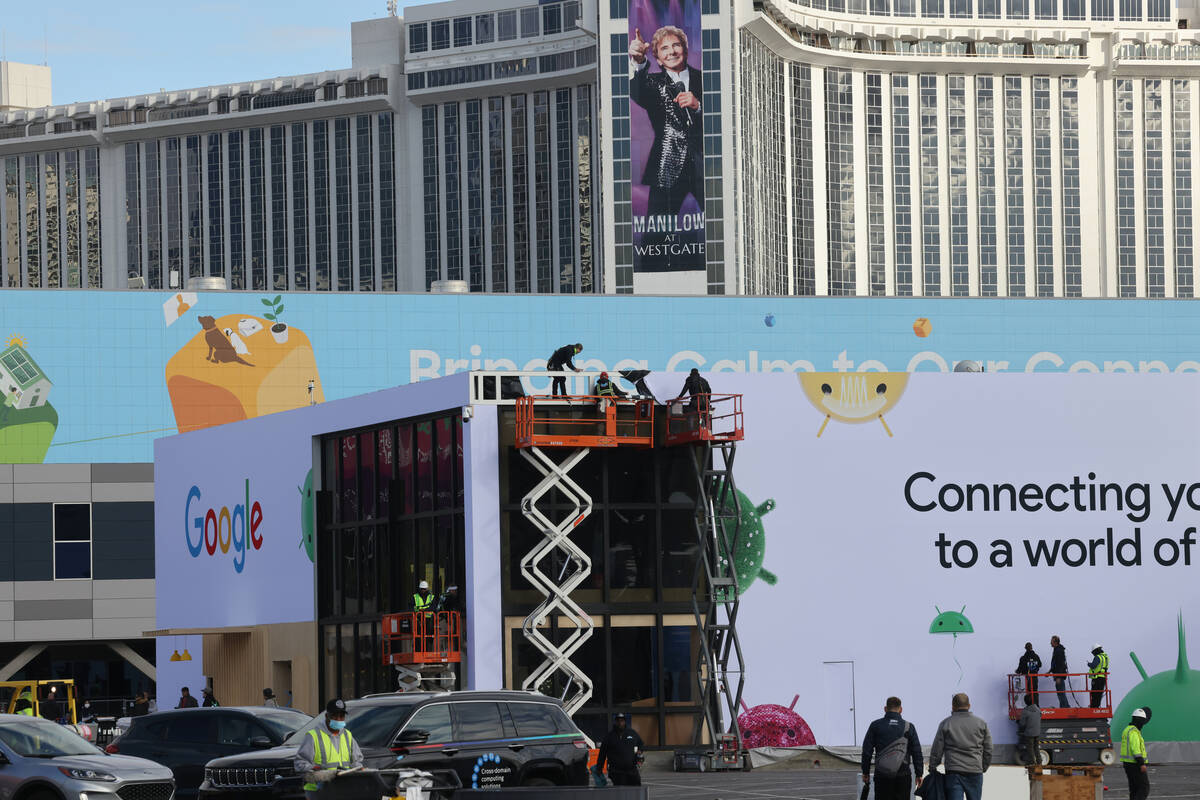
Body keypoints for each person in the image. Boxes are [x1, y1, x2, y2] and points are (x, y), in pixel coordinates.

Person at [627, 26, 703, 221]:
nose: (672, 52)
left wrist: (698, 106)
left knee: (719, 221)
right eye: (664, 48)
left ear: (685, 51)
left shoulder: (705, 79)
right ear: (658, 59)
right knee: (656, 235)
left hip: (706, 164)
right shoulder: (651, 83)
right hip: (666, 166)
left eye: (676, 45)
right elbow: (636, 92)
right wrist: (640, 62)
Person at [295, 698, 363, 799]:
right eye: (335, 716)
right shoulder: (313, 736)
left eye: (341, 716)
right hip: (318, 793)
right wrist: (313, 769)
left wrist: (359, 770)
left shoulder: (347, 736)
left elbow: (356, 762)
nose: (338, 719)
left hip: (343, 791)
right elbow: (300, 764)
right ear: (327, 716)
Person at [929, 693, 992, 800]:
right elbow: (989, 749)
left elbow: (937, 749)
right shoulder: (981, 723)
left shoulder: (946, 723)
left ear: (953, 706)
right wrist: (983, 767)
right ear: (969, 705)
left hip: (953, 771)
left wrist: (933, 767)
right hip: (975, 771)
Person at [861, 696, 923, 800]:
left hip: (882, 775)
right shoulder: (909, 727)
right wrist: (919, 773)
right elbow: (917, 752)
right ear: (901, 709)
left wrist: (865, 771)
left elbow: (867, 751)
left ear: (885, 709)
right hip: (903, 775)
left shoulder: (875, 725)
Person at [597, 713, 644, 786]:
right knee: (621, 791)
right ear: (615, 722)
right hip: (616, 771)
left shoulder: (632, 733)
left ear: (625, 722)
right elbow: (602, 754)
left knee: (637, 788)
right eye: (618, 721)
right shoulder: (609, 736)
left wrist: (640, 750)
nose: (620, 723)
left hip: (631, 770)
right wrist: (599, 769)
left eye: (622, 721)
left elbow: (641, 743)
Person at [1120, 707, 1151, 800]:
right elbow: (1135, 749)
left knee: (1134, 789)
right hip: (1135, 765)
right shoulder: (1133, 731)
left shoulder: (1127, 729)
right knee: (1144, 788)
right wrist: (1141, 763)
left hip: (1128, 764)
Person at [1017, 693, 1042, 766]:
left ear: (1025, 702)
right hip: (1037, 732)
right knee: (1036, 747)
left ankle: (1032, 762)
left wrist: (1019, 722)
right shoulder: (1038, 710)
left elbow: (1022, 724)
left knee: (1030, 748)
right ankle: (1039, 761)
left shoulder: (1025, 711)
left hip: (1029, 734)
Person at [1050, 635, 1070, 708]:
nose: (1050, 643)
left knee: (1061, 692)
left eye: (1051, 641)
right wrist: (1049, 671)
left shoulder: (1058, 651)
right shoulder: (1057, 650)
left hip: (1059, 676)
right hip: (1058, 675)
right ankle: (1064, 707)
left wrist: (1059, 676)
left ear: (1055, 642)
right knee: (1060, 692)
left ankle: (1066, 707)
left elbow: (1060, 664)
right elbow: (1055, 664)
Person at [1088, 643, 1109, 708]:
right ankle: (1096, 706)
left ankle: (1093, 706)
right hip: (1103, 677)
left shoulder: (1098, 657)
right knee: (1099, 693)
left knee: (1094, 693)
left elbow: (1094, 666)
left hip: (1097, 678)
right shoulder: (1105, 657)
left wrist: (1089, 664)